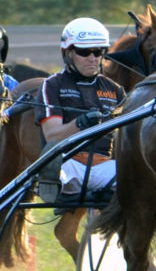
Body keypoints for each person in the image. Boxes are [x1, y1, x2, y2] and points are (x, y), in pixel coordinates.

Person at [38, 17, 126, 197]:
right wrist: (81, 122)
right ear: (68, 52)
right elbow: (52, 136)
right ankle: (61, 187)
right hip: (69, 162)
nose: (92, 59)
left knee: (136, 176)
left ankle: (97, 195)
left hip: (105, 166)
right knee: (63, 173)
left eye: (98, 52)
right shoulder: (53, 85)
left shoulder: (114, 89)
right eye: (84, 52)